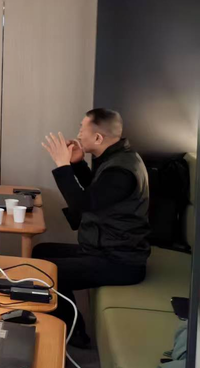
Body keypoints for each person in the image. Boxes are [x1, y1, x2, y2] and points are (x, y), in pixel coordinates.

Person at [37, 108, 150, 347]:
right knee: (40, 252)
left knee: (48, 272)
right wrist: (77, 164)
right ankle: (73, 327)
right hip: (103, 248)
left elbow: (82, 204)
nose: (78, 134)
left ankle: (67, 336)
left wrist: (62, 166)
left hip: (120, 261)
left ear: (98, 138)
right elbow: (97, 195)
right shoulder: (118, 159)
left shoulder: (121, 171)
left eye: (82, 129)